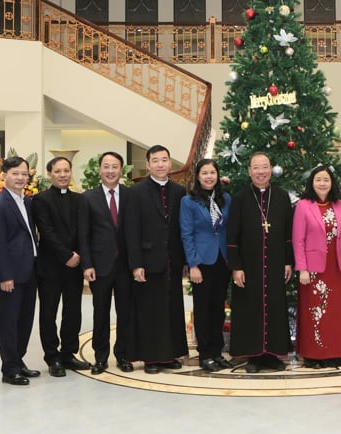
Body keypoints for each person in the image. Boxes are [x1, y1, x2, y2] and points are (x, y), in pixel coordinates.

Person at [227, 152, 294, 373]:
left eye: (265, 167)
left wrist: (288, 262)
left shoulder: (282, 197)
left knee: (275, 307)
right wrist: (236, 267)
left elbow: (287, 234)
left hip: (275, 264)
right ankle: (254, 355)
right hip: (249, 265)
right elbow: (232, 237)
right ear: (249, 171)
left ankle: (273, 354)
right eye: (256, 167)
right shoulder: (240, 198)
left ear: (271, 169)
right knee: (249, 308)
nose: (261, 172)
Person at [124, 145, 188, 373]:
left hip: (172, 260)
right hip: (148, 261)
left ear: (170, 163)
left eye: (164, 160)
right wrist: (136, 264)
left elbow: (183, 228)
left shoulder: (180, 191)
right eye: (155, 160)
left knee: (172, 308)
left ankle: (169, 355)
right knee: (149, 310)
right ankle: (151, 357)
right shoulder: (137, 192)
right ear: (148, 164)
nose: (161, 164)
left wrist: (186, 260)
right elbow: (131, 231)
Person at [293, 165, 341, 368]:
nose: (322, 183)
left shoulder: (340, 205)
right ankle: (313, 355)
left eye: (326, 180)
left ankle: (334, 353)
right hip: (312, 270)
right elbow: (298, 240)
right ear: (312, 182)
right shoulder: (303, 205)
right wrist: (302, 268)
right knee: (314, 311)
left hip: (336, 267)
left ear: (332, 183)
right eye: (318, 179)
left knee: (335, 312)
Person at [32, 156, 90, 377]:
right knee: (49, 312)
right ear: (50, 174)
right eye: (58, 171)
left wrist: (79, 256)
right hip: (50, 266)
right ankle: (52, 356)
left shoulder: (80, 199)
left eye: (66, 171)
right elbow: (46, 232)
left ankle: (68, 353)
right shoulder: (41, 200)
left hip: (75, 265)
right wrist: (66, 255)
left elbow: (84, 231)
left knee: (73, 311)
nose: (63, 175)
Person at [0, 155, 41, 386]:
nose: (20, 178)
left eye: (24, 174)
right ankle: (9, 369)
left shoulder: (27, 201)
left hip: (30, 270)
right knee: (8, 322)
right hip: (11, 274)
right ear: (4, 175)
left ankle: (18, 361)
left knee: (25, 320)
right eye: (15, 173)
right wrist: (5, 275)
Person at [78, 151, 134, 375]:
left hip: (126, 265)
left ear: (121, 170)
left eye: (115, 167)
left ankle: (123, 355)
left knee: (126, 312)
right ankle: (100, 357)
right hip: (99, 266)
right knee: (100, 313)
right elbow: (83, 235)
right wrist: (87, 264)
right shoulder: (87, 198)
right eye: (106, 166)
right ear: (99, 170)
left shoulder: (131, 196)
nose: (111, 171)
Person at [180, 158, 233, 373]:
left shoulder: (226, 198)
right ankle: (205, 354)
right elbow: (186, 234)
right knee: (203, 309)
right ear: (198, 177)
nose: (209, 177)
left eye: (212, 173)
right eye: (205, 173)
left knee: (218, 309)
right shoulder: (188, 201)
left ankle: (217, 352)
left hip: (222, 260)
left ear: (217, 176)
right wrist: (192, 264)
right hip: (201, 262)